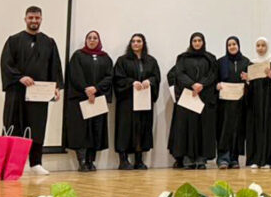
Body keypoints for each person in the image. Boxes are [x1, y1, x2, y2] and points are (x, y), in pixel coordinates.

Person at [0, 6, 62, 175]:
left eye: (37, 18)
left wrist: (56, 87)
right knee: (14, 126)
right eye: (31, 18)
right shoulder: (14, 40)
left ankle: (36, 163)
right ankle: (10, 164)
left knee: (37, 127)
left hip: (39, 95)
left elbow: (54, 67)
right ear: (25, 19)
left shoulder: (49, 42)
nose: (34, 21)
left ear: (41, 19)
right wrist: (20, 77)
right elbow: (6, 64)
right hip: (17, 92)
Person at [61, 30, 113, 172]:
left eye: (95, 38)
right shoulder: (78, 56)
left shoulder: (105, 58)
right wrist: (87, 89)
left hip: (97, 100)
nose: (92, 40)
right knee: (81, 131)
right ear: (86, 40)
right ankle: (82, 161)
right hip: (80, 99)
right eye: (89, 38)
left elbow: (109, 77)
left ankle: (91, 161)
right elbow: (75, 75)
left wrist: (96, 89)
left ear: (99, 40)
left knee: (96, 130)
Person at [170, 32, 218, 170]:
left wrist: (201, 84)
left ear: (203, 42)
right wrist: (192, 84)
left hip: (204, 97)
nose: (197, 43)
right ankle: (188, 158)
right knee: (186, 128)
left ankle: (201, 159)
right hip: (188, 97)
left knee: (203, 128)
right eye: (194, 41)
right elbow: (179, 74)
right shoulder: (182, 58)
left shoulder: (210, 58)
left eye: (199, 40)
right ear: (191, 43)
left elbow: (213, 74)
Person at [113, 33, 160, 170]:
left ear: (143, 43)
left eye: (139, 41)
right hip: (127, 101)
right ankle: (123, 160)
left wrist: (149, 81)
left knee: (141, 128)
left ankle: (139, 160)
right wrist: (132, 82)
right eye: (133, 41)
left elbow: (156, 77)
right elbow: (118, 78)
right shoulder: (122, 60)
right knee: (125, 129)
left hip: (144, 101)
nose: (136, 43)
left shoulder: (151, 61)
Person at [216, 36, 250, 169]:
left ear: (238, 45)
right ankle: (223, 158)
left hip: (240, 103)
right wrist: (217, 85)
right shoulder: (220, 62)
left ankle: (234, 158)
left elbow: (251, 82)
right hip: (224, 104)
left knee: (237, 130)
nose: (232, 47)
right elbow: (214, 79)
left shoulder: (246, 62)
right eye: (229, 45)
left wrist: (248, 79)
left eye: (234, 44)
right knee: (224, 130)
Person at [245, 37, 271, 169]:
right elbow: (250, 87)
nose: (260, 48)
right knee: (255, 130)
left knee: (269, 130)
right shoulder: (252, 64)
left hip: (269, 103)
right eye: (258, 45)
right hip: (256, 104)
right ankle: (255, 159)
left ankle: (269, 160)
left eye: (263, 45)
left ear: (267, 47)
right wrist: (248, 80)